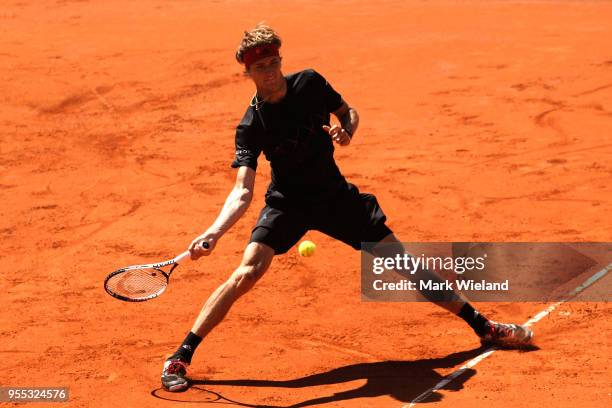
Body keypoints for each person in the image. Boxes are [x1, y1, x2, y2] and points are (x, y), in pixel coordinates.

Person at [161, 23, 533, 392]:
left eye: (274, 62)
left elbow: (348, 112)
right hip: (287, 204)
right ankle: (180, 355)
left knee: (403, 264)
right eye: (261, 67)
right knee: (246, 273)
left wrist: (347, 131)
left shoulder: (310, 83)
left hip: (335, 197)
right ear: (247, 72)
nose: (271, 72)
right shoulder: (251, 125)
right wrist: (213, 232)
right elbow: (243, 191)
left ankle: (484, 327)